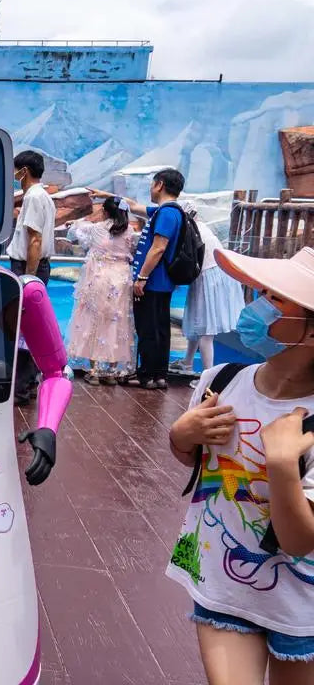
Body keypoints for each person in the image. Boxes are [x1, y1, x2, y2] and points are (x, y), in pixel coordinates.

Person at [167, 245, 314, 684]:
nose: (257, 306)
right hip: (223, 582)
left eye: (276, 299)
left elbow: (299, 540)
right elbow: (196, 460)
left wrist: (285, 467)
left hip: (301, 603)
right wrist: (181, 436)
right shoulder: (222, 381)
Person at [64, 196, 138, 385]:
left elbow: (77, 235)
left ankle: (94, 370)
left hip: (98, 277)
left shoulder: (98, 229)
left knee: (93, 320)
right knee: (117, 322)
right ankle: (112, 370)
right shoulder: (129, 230)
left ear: (105, 211)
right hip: (121, 279)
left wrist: (77, 222)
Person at [125, 168, 186, 390]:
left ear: (159, 184)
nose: (150, 189)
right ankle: (159, 375)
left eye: (152, 184)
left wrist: (141, 278)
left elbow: (158, 248)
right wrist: (105, 195)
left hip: (152, 282)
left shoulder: (167, 213)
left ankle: (147, 375)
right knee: (160, 327)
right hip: (162, 283)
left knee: (148, 328)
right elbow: (136, 207)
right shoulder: (169, 211)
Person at [6, 150, 55, 405]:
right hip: (32, 266)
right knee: (29, 327)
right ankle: (29, 381)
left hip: (27, 266)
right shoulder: (42, 196)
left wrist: (29, 278)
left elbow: (34, 240)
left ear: (23, 171)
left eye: (16, 170)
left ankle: (21, 386)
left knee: (23, 327)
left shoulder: (34, 197)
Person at [171, 215, 245, 382]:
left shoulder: (189, 231)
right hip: (212, 275)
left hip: (210, 278)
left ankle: (208, 377)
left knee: (205, 329)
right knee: (198, 323)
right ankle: (187, 362)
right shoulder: (200, 227)